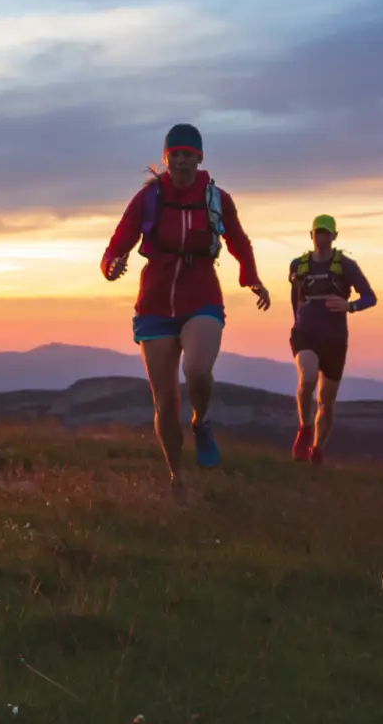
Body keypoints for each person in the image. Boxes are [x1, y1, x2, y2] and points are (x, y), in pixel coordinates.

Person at [102, 123, 270, 498]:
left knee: (196, 370)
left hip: (202, 297)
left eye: (187, 153)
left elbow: (238, 240)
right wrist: (111, 264)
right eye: (174, 153)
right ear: (166, 158)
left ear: (199, 158)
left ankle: (202, 420)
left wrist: (252, 279)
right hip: (155, 304)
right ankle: (176, 476)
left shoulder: (216, 199)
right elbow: (118, 242)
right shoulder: (147, 199)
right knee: (164, 401)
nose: (180, 160)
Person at [286, 214, 376, 465]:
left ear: (335, 236)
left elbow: (370, 297)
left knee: (326, 400)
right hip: (305, 333)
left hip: (335, 339)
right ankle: (304, 429)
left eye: (327, 232)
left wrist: (350, 306)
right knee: (308, 377)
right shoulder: (297, 265)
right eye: (319, 232)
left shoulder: (347, 266)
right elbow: (296, 297)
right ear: (311, 234)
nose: (322, 237)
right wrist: (298, 321)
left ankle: (317, 448)